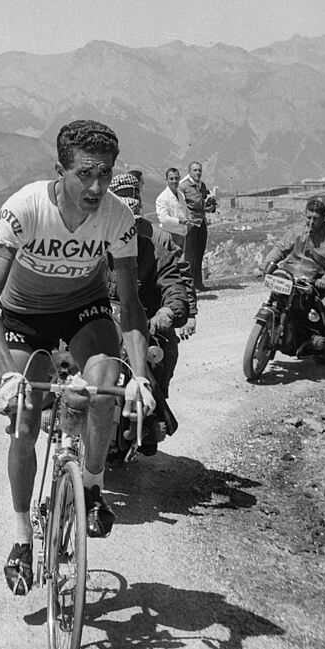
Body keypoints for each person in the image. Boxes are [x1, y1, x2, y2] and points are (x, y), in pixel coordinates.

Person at [0, 120, 155, 595]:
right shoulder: (25, 207)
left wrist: (140, 376)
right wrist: (7, 375)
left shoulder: (118, 218)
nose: (96, 187)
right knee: (25, 420)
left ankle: (92, 487)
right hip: (23, 316)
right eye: (84, 175)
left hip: (83, 309)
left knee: (105, 385)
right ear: (60, 171)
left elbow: (131, 304)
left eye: (105, 174)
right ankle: (20, 539)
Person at [107, 172, 195, 455]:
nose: (124, 231)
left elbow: (173, 282)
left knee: (159, 354)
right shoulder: (95, 243)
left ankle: (152, 415)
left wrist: (169, 311)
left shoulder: (157, 245)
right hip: (103, 320)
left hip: (144, 322)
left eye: (130, 224)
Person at [262, 197, 325, 329]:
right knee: (276, 297)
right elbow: (281, 248)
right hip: (292, 274)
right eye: (308, 217)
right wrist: (266, 265)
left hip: (318, 279)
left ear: (323, 217)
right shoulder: (296, 231)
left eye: (315, 218)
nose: (311, 222)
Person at [178, 160, 218, 290]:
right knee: (189, 255)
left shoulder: (202, 186)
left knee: (199, 253)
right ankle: (189, 286)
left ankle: (198, 283)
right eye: (195, 170)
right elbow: (180, 205)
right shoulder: (183, 187)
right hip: (191, 224)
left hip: (202, 223)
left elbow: (204, 206)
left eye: (199, 170)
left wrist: (211, 204)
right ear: (189, 172)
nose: (198, 173)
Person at [155, 167, 191, 250]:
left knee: (181, 261)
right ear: (166, 180)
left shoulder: (181, 195)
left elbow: (184, 211)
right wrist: (180, 221)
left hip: (182, 234)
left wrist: (188, 219)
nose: (174, 181)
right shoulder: (162, 198)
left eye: (176, 178)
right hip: (169, 235)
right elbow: (163, 219)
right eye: (171, 179)